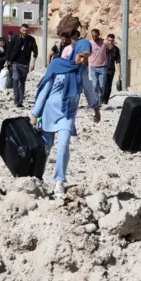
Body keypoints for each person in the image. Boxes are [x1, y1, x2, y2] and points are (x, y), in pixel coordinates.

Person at [30, 39, 101, 199]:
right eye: (81, 56)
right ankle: (38, 176)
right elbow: (45, 89)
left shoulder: (82, 70)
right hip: (49, 111)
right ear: (75, 52)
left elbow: (88, 89)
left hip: (68, 113)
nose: (82, 60)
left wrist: (95, 107)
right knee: (45, 148)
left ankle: (59, 181)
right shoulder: (57, 65)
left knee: (63, 146)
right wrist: (35, 114)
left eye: (86, 58)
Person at [6, 23, 38, 108]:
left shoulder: (31, 40)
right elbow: (9, 49)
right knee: (16, 79)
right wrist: (7, 61)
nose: (25, 32)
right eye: (23, 30)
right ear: (20, 30)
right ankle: (16, 99)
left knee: (22, 82)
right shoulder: (15, 38)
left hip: (25, 64)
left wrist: (33, 62)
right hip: (15, 63)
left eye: (26, 31)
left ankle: (20, 100)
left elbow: (35, 51)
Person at [88, 29, 109, 102]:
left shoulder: (105, 42)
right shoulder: (90, 43)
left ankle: (101, 98)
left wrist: (106, 58)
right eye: (93, 36)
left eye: (96, 36)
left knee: (102, 86)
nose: (94, 38)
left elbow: (112, 49)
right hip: (93, 67)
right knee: (94, 85)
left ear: (99, 35)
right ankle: (96, 101)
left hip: (103, 67)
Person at [102, 33, 121, 105]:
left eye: (111, 41)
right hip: (102, 69)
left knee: (109, 86)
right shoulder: (103, 48)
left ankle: (105, 101)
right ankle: (101, 99)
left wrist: (119, 72)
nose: (110, 42)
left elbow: (118, 61)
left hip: (111, 69)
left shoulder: (115, 49)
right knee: (102, 85)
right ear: (106, 40)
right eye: (109, 40)